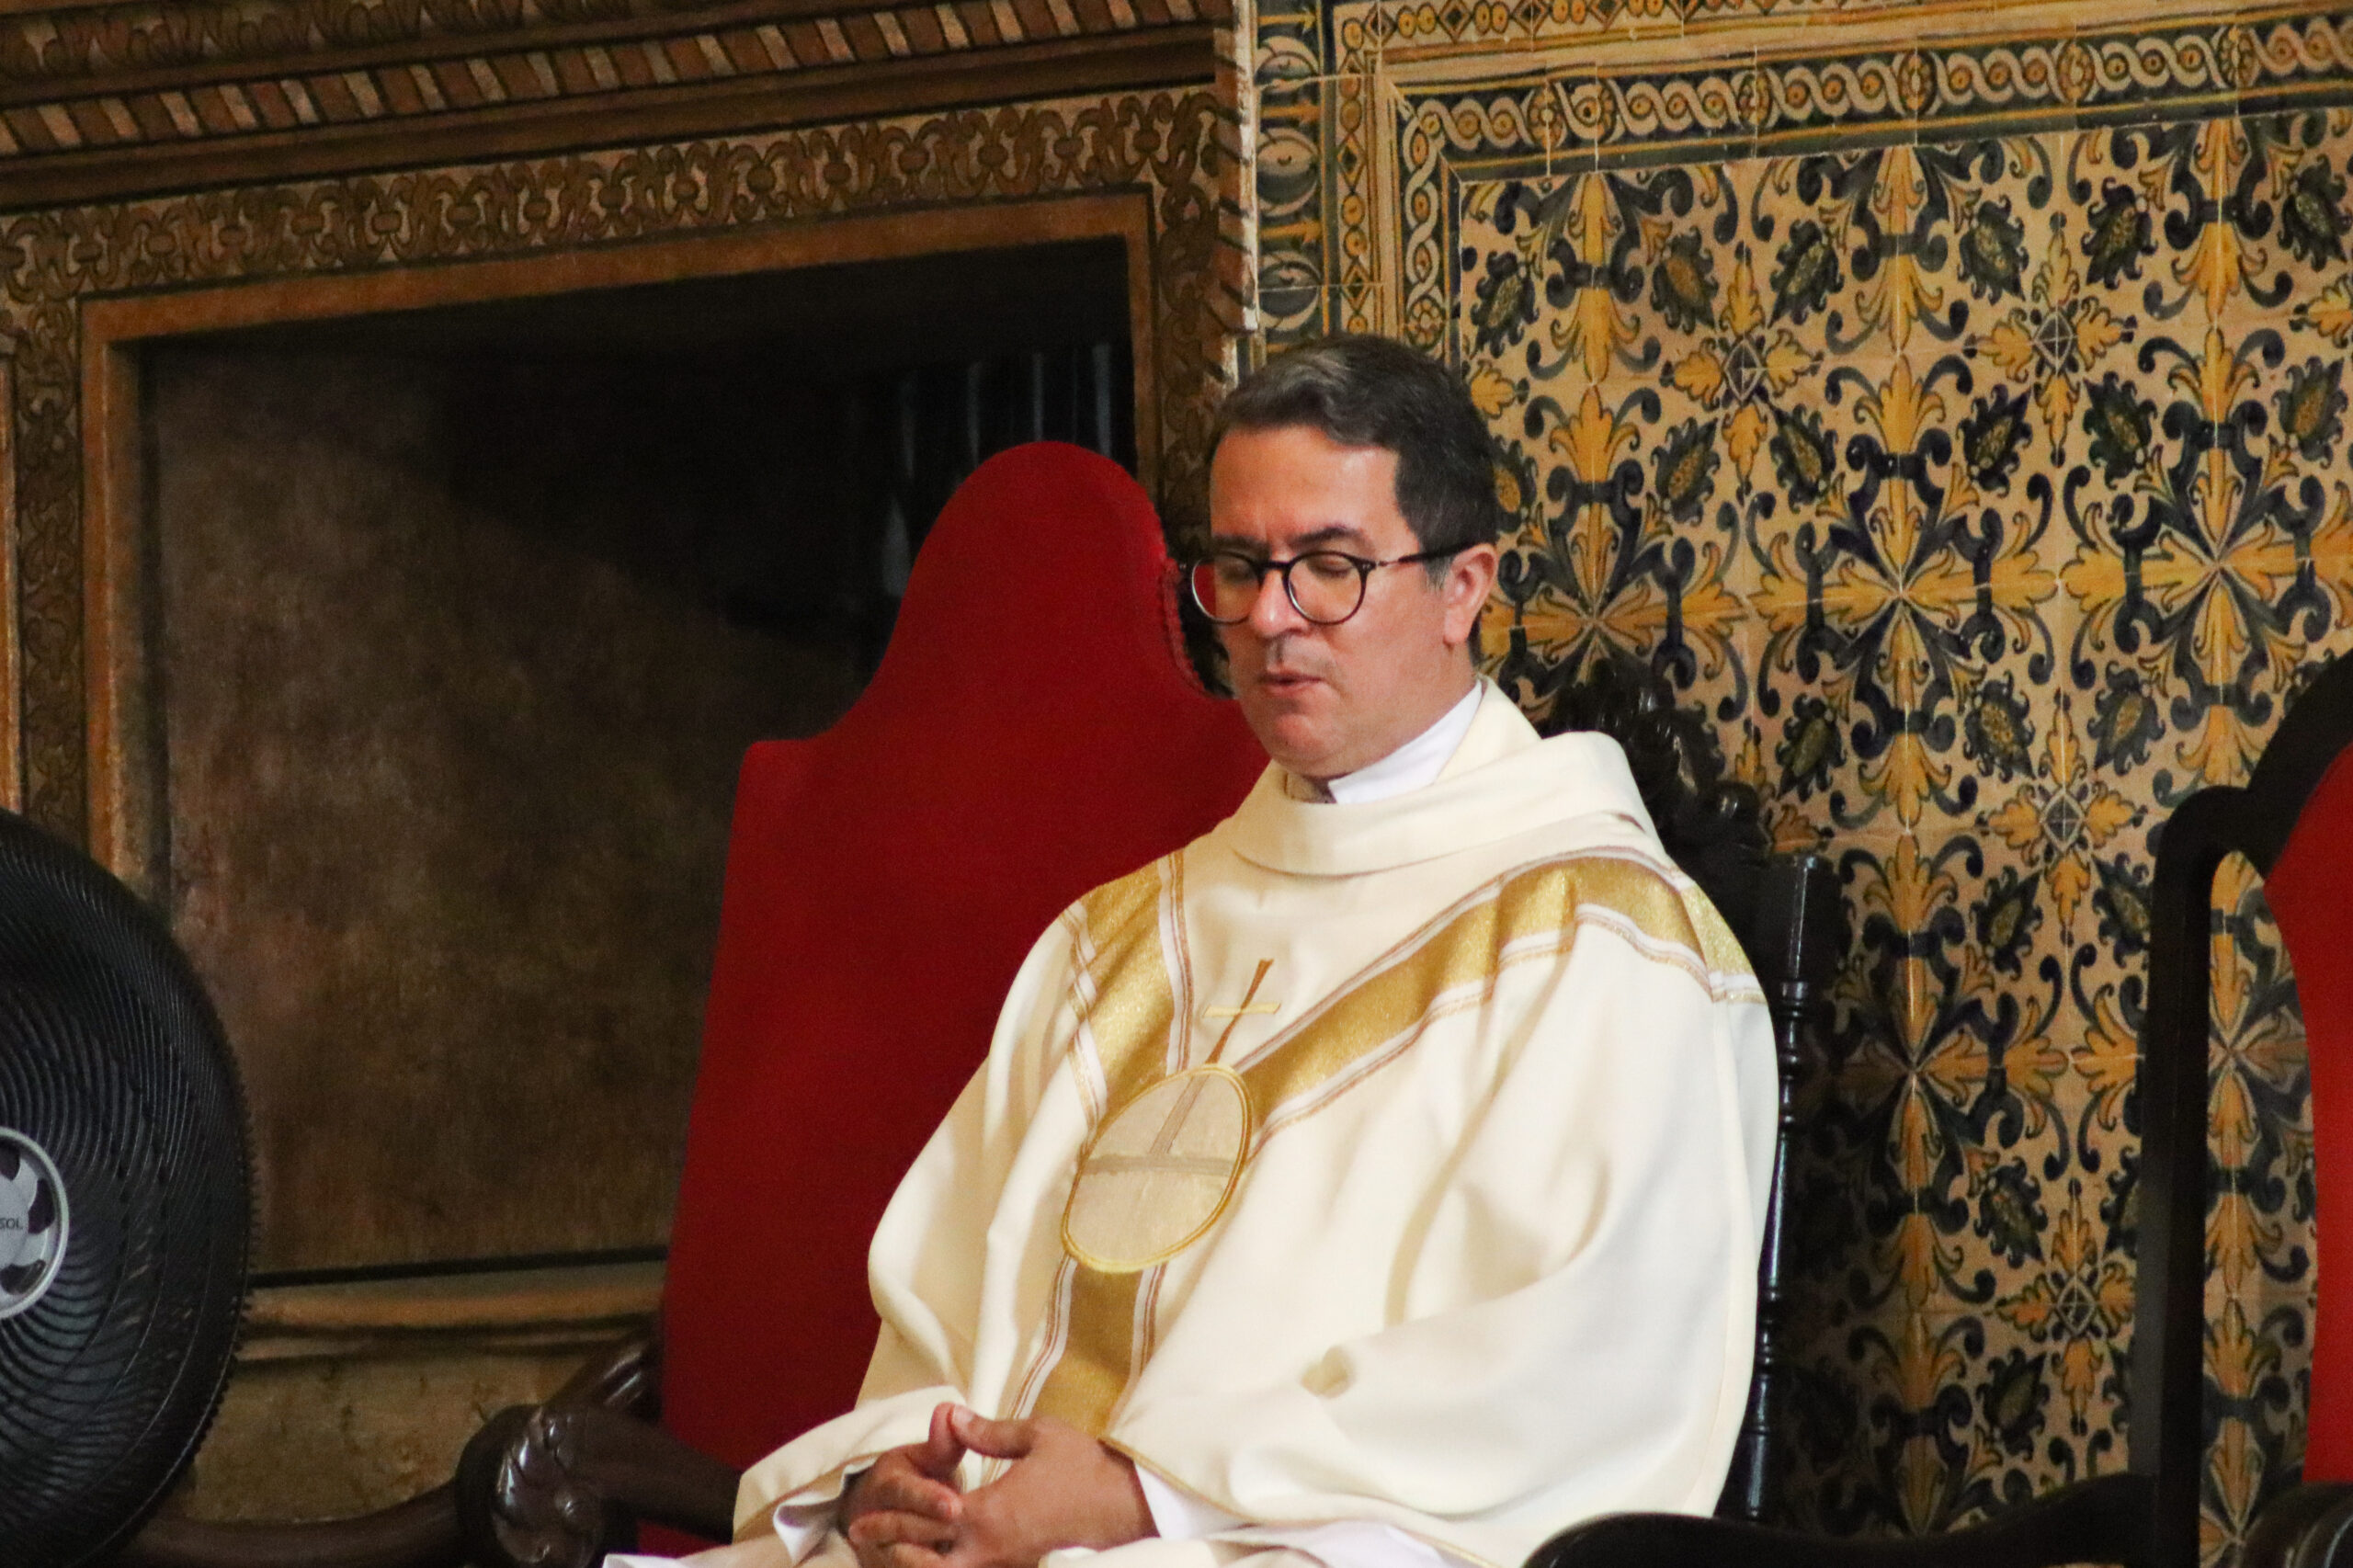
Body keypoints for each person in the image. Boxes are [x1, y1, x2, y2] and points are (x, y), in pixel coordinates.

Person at [651, 335, 1778, 1568]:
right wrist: (900, 1477)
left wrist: (1139, 1495)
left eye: (1330, 568)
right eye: (1238, 569)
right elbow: (938, 1310)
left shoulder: (1605, 947)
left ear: (1464, 586)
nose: (1271, 620)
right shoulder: (1116, 938)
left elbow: (1573, 1377)